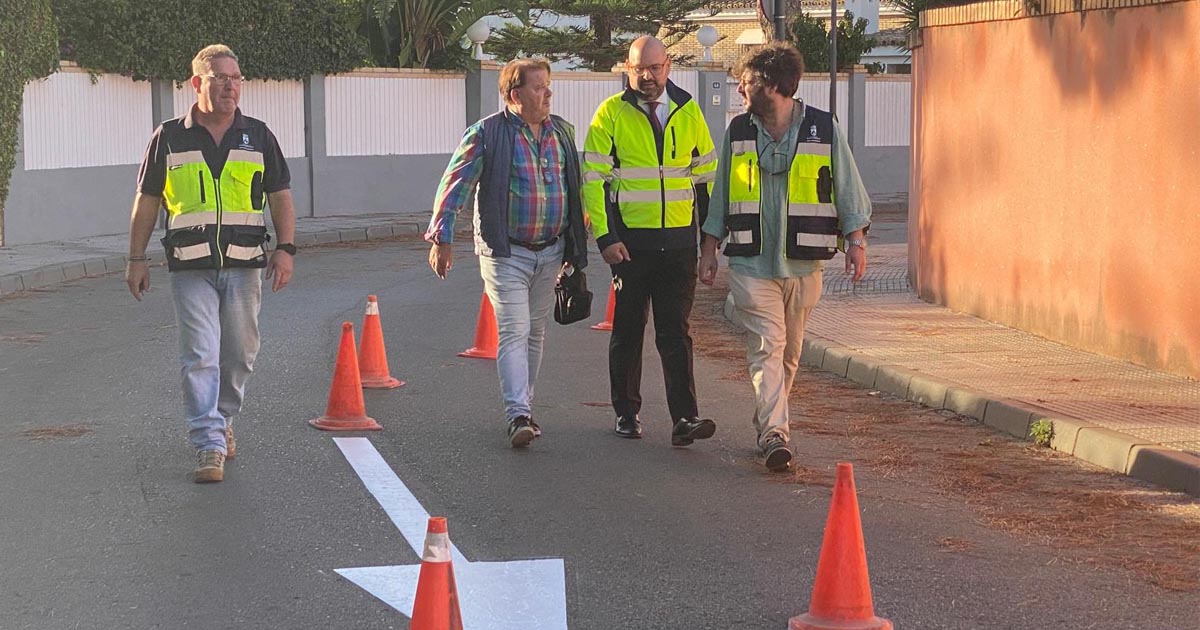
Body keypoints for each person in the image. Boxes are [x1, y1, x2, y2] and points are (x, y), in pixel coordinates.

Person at [126, 44, 296, 483]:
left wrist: (286, 248)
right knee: (200, 355)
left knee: (239, 355)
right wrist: (136, 258)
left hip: (244, 264)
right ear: (197, 83)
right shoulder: (168, 137)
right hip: (190, 266)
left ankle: (223, 419)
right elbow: (147, 201)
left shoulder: (258, 135)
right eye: (221, 78)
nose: (230, 86)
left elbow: (280, 195)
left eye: (236, 78)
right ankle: (208, 443)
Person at [699, 42, 871, 471]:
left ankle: (768, 420)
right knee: (768, 345)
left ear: (773, 86)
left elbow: (848, 186)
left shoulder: (822, 128)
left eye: (747, 82)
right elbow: (721, 193)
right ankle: (775, 432)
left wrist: (856, 241)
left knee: (789, 353)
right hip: (751, 261)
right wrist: (709, 248)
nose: (740, 89)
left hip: (803, 262)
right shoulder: (738, 130)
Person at [426, 58, 588, 448]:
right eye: (539, 87)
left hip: (551, 251)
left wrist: (576, 242)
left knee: (535, 331)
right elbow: (455, 185)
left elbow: (576, 187)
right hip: (505, 253)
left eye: (548, 86)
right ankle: (517, 414)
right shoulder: (486, 134)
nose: (548, 93)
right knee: (515, 329)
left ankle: (524, 409)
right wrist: (441, 238)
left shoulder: (562, 132)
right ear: (516, 95)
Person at [581, 36, 719, 447]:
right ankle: (626, 412)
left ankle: (685, 418)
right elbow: (593, 181)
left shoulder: (688, 110)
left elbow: (707, 179)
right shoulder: (611, 113)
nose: (647, 76)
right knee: (628, 331)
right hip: (630, 246)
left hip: (679, 246)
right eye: (639, 68)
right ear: (628, 68)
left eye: (654, 68)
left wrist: (708, 244)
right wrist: (606, 237)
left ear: (668, 66)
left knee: (675, 333)